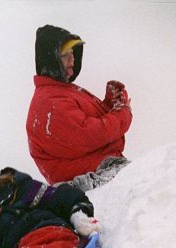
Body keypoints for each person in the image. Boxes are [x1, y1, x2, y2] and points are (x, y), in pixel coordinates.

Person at [25, 25, 132, 191]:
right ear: (51, 59)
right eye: (65, 55)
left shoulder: (60, 91)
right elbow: (89, 134)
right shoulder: (51, 102)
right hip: (88, 180)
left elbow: (81, 131)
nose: (72, 60)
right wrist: (122, 114)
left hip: (100, 169)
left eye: (73, 54)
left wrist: (111, 104)